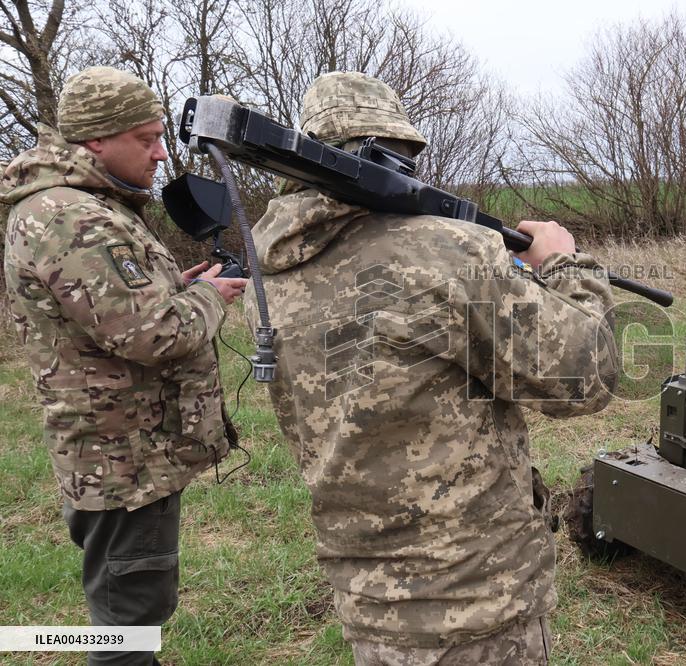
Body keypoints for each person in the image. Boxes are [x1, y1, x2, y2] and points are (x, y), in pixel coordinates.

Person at [245, 71, 619, 664]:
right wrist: (567, 266)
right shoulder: (445, 254)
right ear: (380, 157)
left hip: (368, 599)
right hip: (477, 603)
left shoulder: (271, 278)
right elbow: (587, 373)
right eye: (401, 157)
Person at [1, 66, 247, 666]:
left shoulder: (83, 207)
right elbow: (153, 334)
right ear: (95, 141)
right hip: (122, 464)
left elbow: (114, 313)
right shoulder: (73, 218)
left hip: (127, 454)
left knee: (131, 621)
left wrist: (178, 285)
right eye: (146, 139)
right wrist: (211, 299)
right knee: (124, 635)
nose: (162, 153)